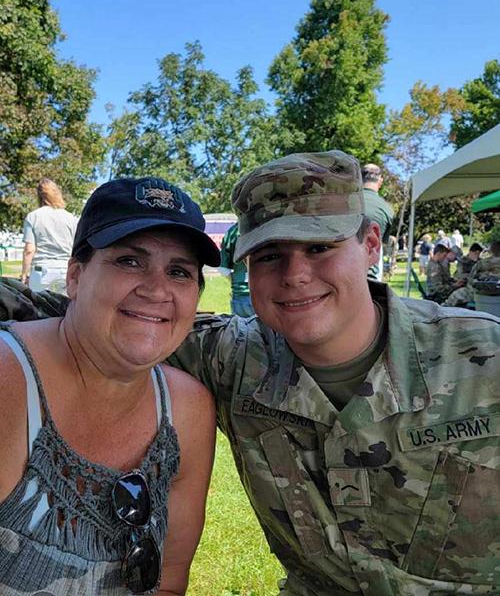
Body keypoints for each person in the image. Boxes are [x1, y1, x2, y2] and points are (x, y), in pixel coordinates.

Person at [2, 153, 500, 596]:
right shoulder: (234, 357)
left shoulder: (486, 355)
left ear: (370, 244)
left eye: (320, 247)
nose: (295, 273)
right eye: (269, 255)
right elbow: (101, 320)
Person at [0, 177, 218, 594]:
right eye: (129, 261)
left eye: (179, 271)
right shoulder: (9, 382)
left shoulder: (187, 408)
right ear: (76, 277)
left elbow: (169, 580)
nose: (157, 289)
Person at [21, 178, 78, 294]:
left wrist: (24, 274)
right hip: (64, 269)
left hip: (40, 270)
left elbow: (29, 250)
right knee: (64, 309)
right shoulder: (70, 218)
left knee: (37, 309)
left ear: (39, 196)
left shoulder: (33, 217)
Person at [361, 163, 394, 281]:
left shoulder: (344, 203)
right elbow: (380, 245)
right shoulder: (386, 209)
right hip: (369, 278)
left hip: (341, 273)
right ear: (380, 180)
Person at [445, 239, 500, 307]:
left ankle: (443, 310)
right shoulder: (473, 261)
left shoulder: (482, 263)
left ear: (492, 251)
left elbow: (471, 280)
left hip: (481, 294)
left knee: (455, 296)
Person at [219, 222, 254, 317]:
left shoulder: (232, 232)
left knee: (240, 331)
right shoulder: (266, 228)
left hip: (239, 296)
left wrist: (236, 283)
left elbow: (223, 269)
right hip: (264, 294)